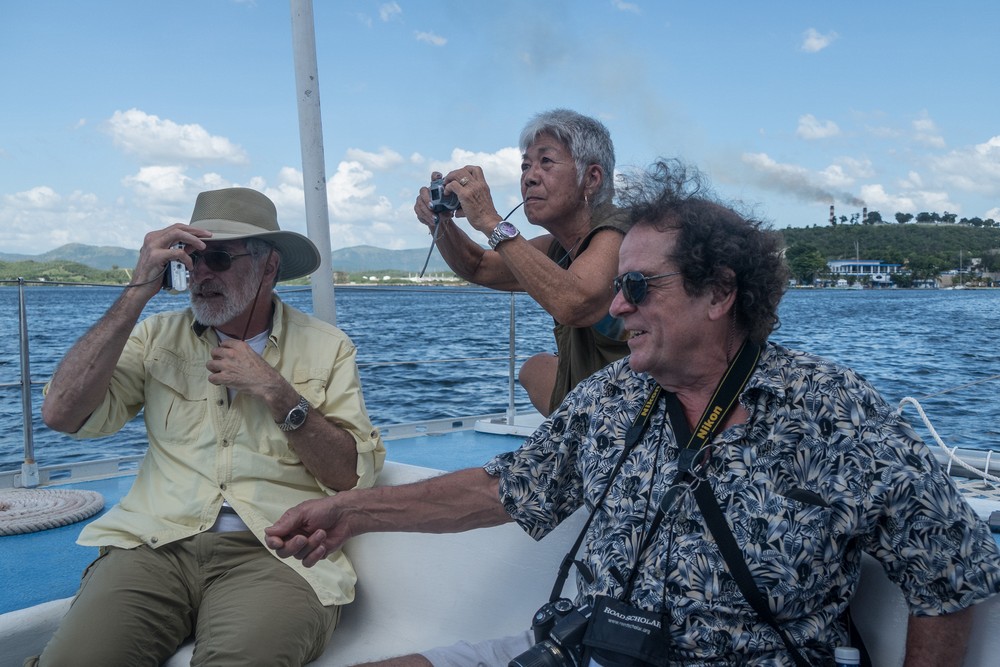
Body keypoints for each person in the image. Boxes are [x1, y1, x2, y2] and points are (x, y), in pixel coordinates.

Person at [267, 160, 1000, 666]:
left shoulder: (833, 414)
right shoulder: (614, 397)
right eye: (618, 286)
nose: (615, 309)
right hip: (585, 647)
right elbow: (504, 487)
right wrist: (358, 510)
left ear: (719, 292)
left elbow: (952, 570)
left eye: (639, 287)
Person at [31, 187, 385, 667]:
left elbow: (350, 478)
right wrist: (137, 290)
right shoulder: (155, 337)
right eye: (190, 260)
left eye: (218, 258)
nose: (201, 274)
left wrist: (279, 394)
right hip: (154, 545)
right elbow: (61, 414)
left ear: (269, 266)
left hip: (274, 552)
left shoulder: (328, 348)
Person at [414, 108, 630, 415]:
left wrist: (490, 220)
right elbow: (477, 266)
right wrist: (441, 223)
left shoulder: (620, 234)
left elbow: (575, 301)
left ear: (592, 178)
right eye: (525, 166)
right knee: (533, 369)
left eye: (546, 162)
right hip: (596, 401)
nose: (529, 177)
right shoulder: (557, 249)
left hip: (636, 412)